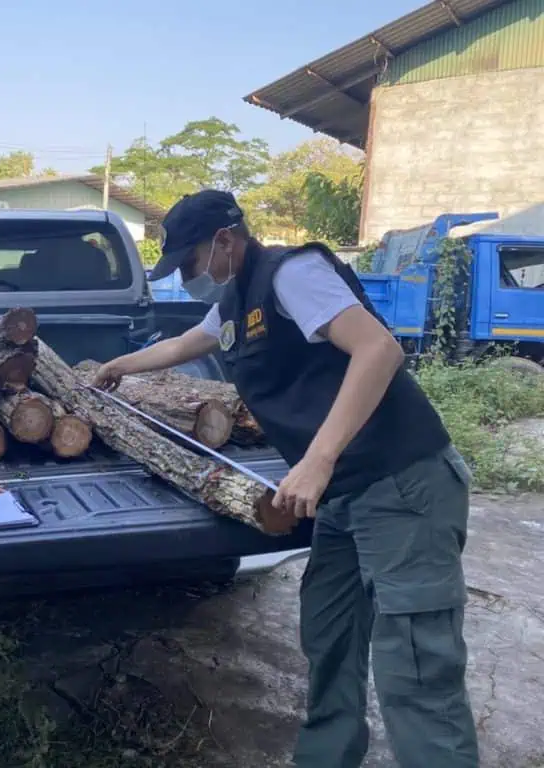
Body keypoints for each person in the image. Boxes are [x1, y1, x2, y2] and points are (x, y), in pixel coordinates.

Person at [94, 190, 479, 767]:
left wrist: (318, 458)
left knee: (415, 666)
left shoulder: (292, 274)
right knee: (330, 638)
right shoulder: (233, 301)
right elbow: (185, 343)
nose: (191, 277)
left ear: (224, 240)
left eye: (191, 264)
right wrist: (119, 367)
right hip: (346, 498)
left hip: (402, 484)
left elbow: (377, 350)